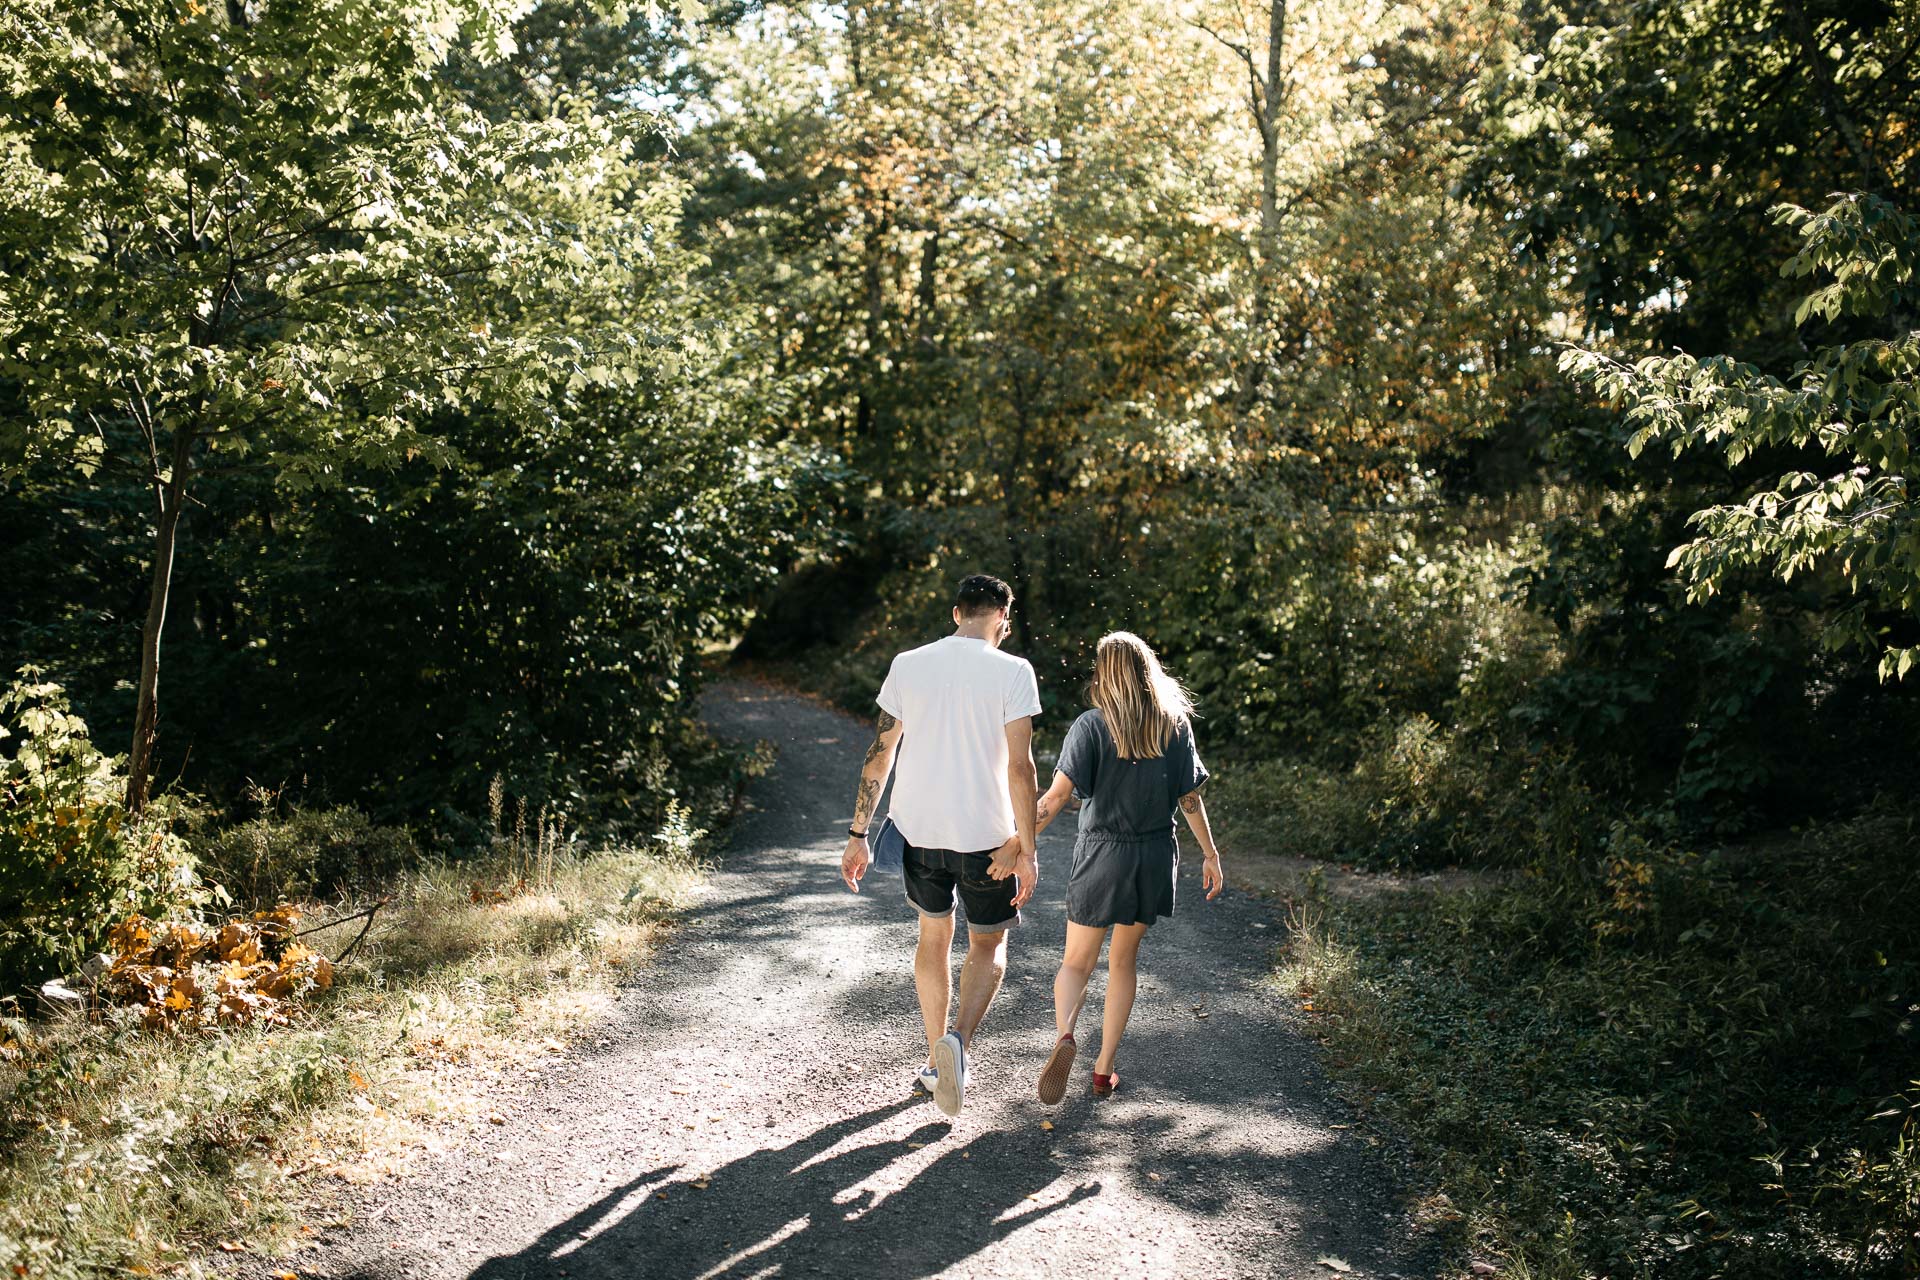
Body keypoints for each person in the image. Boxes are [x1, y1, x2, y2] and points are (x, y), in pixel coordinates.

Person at [840, 574, 1042, 1117]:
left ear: (957, 613)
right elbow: (1022, 769)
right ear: (1003, 615)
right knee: (988, 946)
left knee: (933, 938)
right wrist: (1027, 848)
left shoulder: (909, 664)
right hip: (987, 840)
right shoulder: (1014, 671)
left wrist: (859, 834)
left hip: (920, 833)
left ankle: (935, 1063)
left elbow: (878, 755)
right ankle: (957, 1044)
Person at [1032, 631, 1222, 1103]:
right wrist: (1212, 854)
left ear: (1105, 674)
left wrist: (1019, 840)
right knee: (1123, 962)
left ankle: (1065, 1036)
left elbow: (1055, 799)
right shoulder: (1174, 725)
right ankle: (1103, 1069)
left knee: (1077, 961)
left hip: (1102, 855)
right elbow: (1189, 797)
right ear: (1147, 670)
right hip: (1154, 855)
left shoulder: (1091, 726)